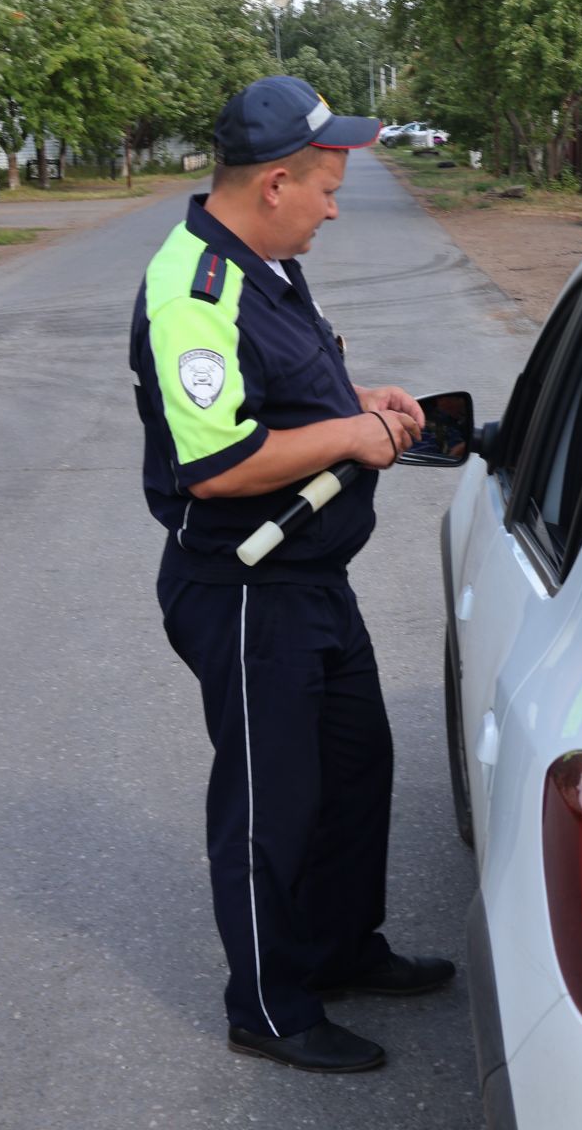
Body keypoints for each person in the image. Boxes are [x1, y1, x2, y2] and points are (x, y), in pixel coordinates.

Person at [127, 75, 453, 1074]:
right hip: (245, 592)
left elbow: (278, 383)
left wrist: (356, 393)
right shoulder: (194, 289)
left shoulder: (264, 262)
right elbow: (217, 462)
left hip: (311, 577)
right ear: (275, 182)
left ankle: (339, 950)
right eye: (326, 187)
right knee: (273, 804)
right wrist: (352, 435)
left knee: (356, 768)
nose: (335, 206)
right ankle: (268, 1004)